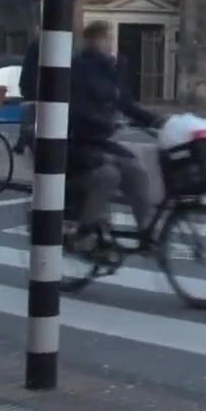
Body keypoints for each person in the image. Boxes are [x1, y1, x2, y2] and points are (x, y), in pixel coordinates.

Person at [67, 21, 162, 249]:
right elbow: (76, 109)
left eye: (108, 38)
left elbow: (125, 103)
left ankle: (146, 231)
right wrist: (105, 122)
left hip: (100, 142)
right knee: (108, 174)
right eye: (102, 38)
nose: (107, 43)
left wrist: (155, 120)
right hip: (77, 144)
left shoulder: (112, 69)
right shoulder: (79, 69)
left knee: (136, 170)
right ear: (90, 40)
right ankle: (85, 230)